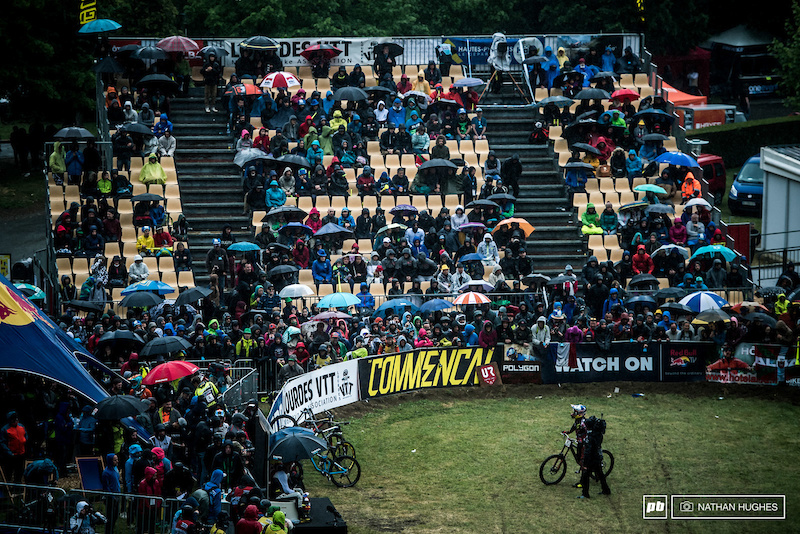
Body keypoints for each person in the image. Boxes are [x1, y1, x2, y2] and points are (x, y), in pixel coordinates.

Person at [579, 415, 610, 498]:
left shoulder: (590, 436)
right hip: (597, 456)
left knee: (586, 475)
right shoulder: (597, 434)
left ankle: (585, 494)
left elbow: (588, 450)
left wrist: (585, 463)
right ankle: (606, 490)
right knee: (600, 474)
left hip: (591, 458)